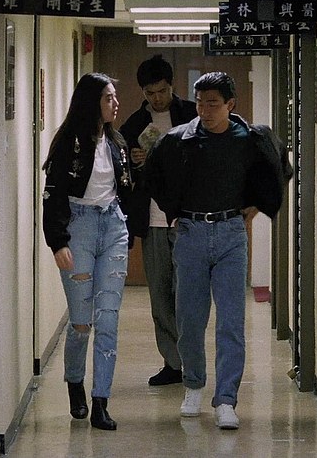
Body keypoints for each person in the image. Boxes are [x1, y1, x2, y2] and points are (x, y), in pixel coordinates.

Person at [144, 72, 291, 430]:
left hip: (230, 234)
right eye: (200, 103)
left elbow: (280, 167)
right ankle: (193, 384)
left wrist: (256, 203)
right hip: (191, 233)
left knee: (231, 322)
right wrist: (174, 211)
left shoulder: (250, 138)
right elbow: (152, 176)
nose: (205, 111)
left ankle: (226, 399)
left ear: (230, 105)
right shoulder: (179, 139)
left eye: (212, 104)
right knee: (190, 319)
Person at [42, 72, 133, 430]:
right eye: (109, 98)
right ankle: (75, 383)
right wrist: (57, 242)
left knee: (108, 319)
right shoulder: (68, 142)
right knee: (82, 323)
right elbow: (52, 194)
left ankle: (101, 401)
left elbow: (126, 189)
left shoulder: (117, 142)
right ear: (91, 102)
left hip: (113, 227)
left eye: (114, 97)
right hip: (77, 227)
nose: (115, 103)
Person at [119, 54, 197, 386]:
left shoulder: (192, 115)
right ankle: (173, 363)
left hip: (187, 219)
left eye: (162, 91)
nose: (157, 98)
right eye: (150, 93)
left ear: (171, 86)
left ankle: (191, 360)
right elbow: (122, 176)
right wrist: (135, 161)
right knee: (160, 296)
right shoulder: (133, 125)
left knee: (186, 293)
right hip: (152, 219)